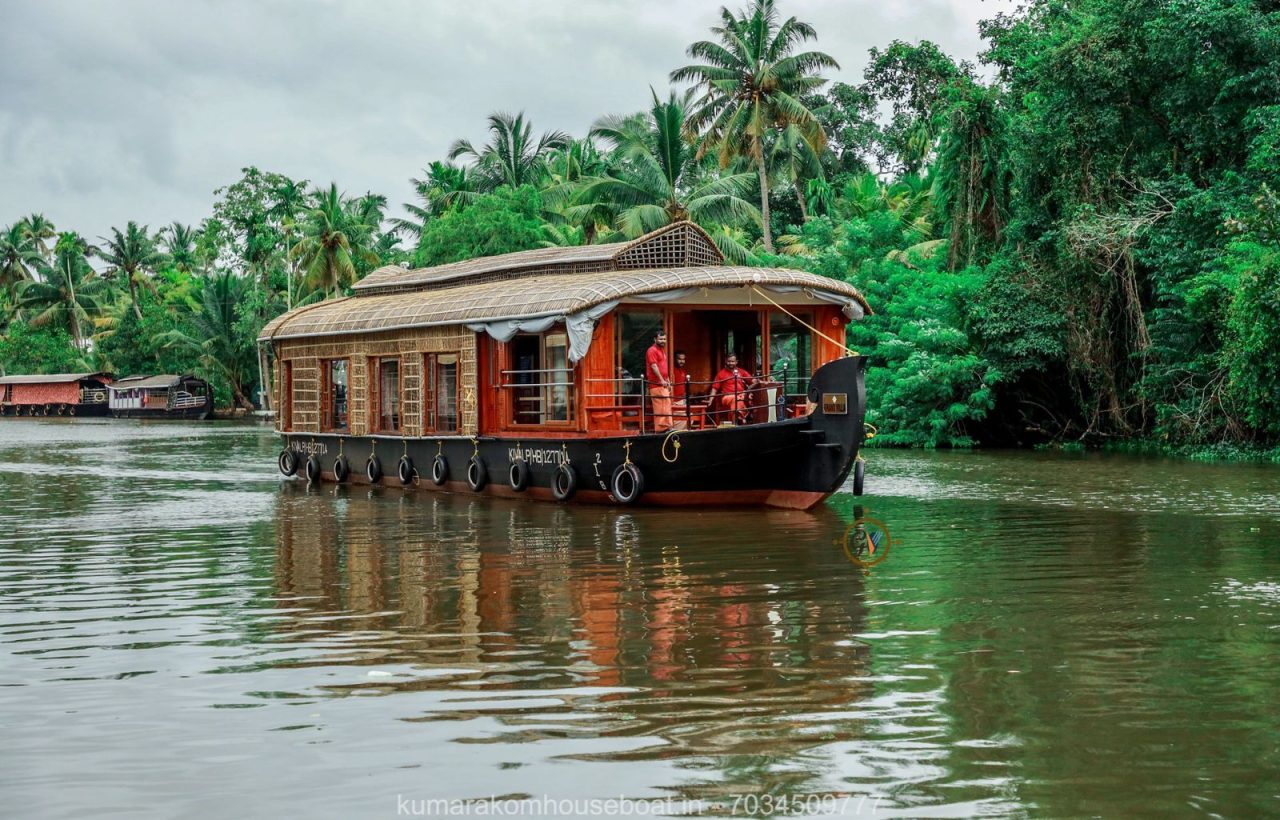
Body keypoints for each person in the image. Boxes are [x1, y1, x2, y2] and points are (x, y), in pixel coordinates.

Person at [708, 353, 755, 425]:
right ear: (726, 361)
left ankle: (743, 418)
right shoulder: (721, 374)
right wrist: (710, 400)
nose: (730, 363)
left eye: (733, 361)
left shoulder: (741, 371)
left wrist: (761, 382)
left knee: (749, 397)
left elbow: (752, 380)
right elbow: (715, 388)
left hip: (741, 395)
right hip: (727, 397)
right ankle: (736, 422)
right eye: (729, 361)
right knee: (736, 398)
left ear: (736, 362)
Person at [645, 330, 673, 432]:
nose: (663, 341)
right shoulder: (652, 350)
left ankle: (668, 427)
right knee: (661, 407)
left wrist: (668, 380)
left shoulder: (661, 350)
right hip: (656, 384)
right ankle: (662, 429)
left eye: (664, 339)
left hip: (663, 383)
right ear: (655, 339)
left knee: (666, 404)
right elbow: (654, 366)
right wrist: (661, 380)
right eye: (661, 339)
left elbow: (663, 367)